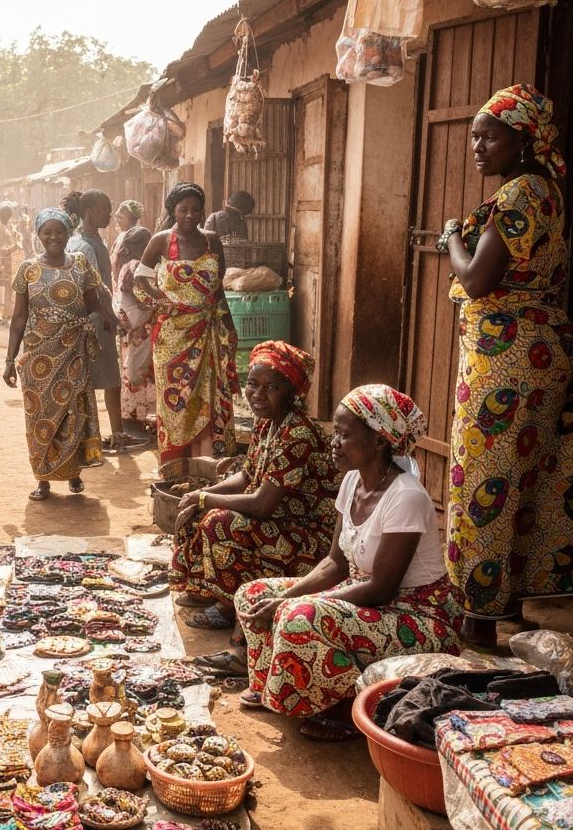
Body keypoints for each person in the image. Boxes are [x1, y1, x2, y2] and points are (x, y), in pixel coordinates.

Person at [227, 384, 463, 741]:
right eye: (335, 433)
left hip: (416, 615)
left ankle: (342, 705)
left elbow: (381, 588)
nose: (335, 443)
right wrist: (290, 595)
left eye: (345, 434)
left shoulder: (407, 497)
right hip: (364, 593)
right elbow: (335, 563)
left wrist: (297, 602)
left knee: (299, 616)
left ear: (381, 440)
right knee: (254, 594)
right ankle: (275, 686)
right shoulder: (352, 481)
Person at [437, 84, 573, 648]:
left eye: (488, 136)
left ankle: (479, 619)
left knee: (483, 483)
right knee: (524, 483)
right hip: (539, 354)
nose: (476, 146)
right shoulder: (550, 192)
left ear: (522, 140)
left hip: (508, 361)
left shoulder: (519, 194)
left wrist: (450, 239)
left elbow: (475, 279)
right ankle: (510, 604)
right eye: (473, 135)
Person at [172, 342, 339, 637]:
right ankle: (210, 591)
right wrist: (200, 495)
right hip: (281, 521)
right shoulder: (267, 423)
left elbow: (263, 504)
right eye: (252, 384)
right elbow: (246, 477)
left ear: (292, 392)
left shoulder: (298, 433)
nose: (258, 395)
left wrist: (206, 499)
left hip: (309, 535)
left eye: (271, 387)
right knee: (196, 509)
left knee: (221, 522)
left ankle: (230, 606)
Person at [138, 182, 239, 474]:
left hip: (208, 332)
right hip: (172, 338)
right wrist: (162, 302)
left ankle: (205, 469)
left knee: (208, 398)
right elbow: (140, 278)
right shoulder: (160, 241)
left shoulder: (212, 241)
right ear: (173, 211)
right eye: (183, 209)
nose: (190, 215)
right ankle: (175, 469)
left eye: (196, 209)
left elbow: (217, 289)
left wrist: (229, 327)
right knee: (176, 402)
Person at [4, 207, 105, 500]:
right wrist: (10, 360)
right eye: (47, 232)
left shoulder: (81, 265)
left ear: (68, 233)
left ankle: (73, 473)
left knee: (73, 411)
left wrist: (92, 325)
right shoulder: (28, 269)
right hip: (38, 357)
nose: (53, 237)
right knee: (41, 415)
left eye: (59, 231)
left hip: (73, 352)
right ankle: (43, 478)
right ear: (38, 235)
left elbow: (94, 305)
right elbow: (19, 318)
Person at [64, 190, 142, 453]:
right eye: (103, 210)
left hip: (94, 318)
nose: (108, 215)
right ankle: (110, 435)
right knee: (109, 379)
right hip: (96, 319)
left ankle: (101, 435)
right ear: (88, 212)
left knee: (96, 379)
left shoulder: (89, 240)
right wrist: (112, 318)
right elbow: (94, 289)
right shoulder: (85, 245)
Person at [114, 225, 157, 436]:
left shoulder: (125, 265)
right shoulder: (136, 267)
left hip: (131, 325)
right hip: (139, 325)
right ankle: (135, 419)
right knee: (137, 370)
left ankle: (135, 416)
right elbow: (147, 299)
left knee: (132, 367)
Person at [0, 201, 21, 322]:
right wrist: (15, 247)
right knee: (0, 287)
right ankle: (0, 314)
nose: (9, 218)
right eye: (8, 216)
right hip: (0, 262)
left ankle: (1, 313)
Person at [109, 198, 147, 280]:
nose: (117, 220)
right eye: (117, 216)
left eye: (120, 217)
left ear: (132, 218)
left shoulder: (139, 235)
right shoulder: (121, 236)